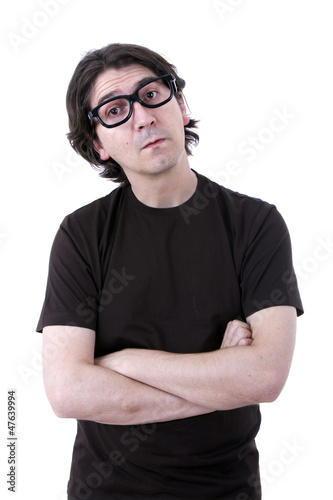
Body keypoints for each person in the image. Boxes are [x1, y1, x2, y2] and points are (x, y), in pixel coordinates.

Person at [37, 43, 304, 500]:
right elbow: (66, 391)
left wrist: (126, 363)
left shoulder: (256, 224)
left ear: (180, 105)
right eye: (116, 110)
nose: (143, 118)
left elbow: (264, 378)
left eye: (152, 95)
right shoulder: (81, 235)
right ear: (98, 144)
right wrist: (221, 380)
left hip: (227, 490)